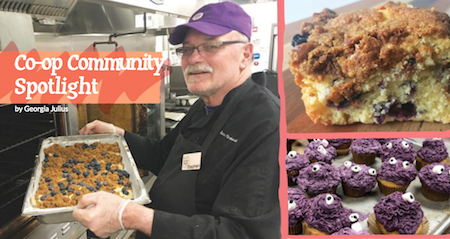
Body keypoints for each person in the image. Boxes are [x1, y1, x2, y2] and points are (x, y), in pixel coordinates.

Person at [73, 2, 281, 239]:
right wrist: (118, 134)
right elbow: (164, 156)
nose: (193, 58)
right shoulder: (205, 105)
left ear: (245, 54)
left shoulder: (266, 124)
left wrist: (131, 215)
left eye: (210, 46)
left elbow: (240, 233)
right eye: (187, 49)